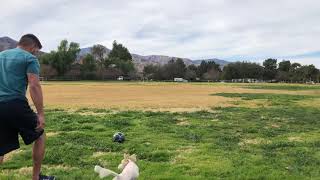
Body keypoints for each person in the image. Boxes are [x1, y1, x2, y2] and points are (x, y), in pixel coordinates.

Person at [0, 34, 55, 180]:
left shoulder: (1, 56)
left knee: (0, 147)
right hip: (15, 103)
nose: (35, 53)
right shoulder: (29, 58)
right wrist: (40, 113)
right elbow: (34, 85)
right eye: (36, 50)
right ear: (32, 47)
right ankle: (36, 177)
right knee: (40, 135)